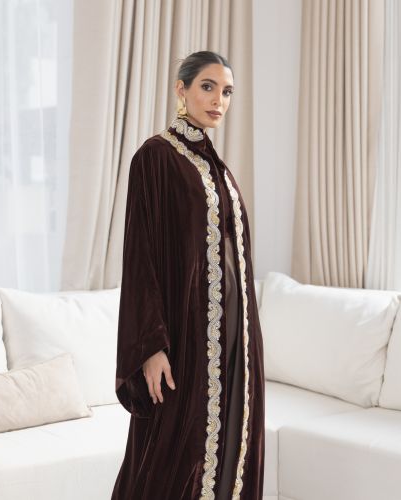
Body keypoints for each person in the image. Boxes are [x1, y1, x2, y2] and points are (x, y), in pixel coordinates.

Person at [111, 50, 265, 500]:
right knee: (172, 452)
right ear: (181, 89)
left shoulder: (218, 168)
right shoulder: (156, 157)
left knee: (231, 445)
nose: (219, 100)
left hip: (236, 336)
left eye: (227, 92)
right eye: (208, 87)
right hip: (184, 337)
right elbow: (140, 259)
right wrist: (151, 345)